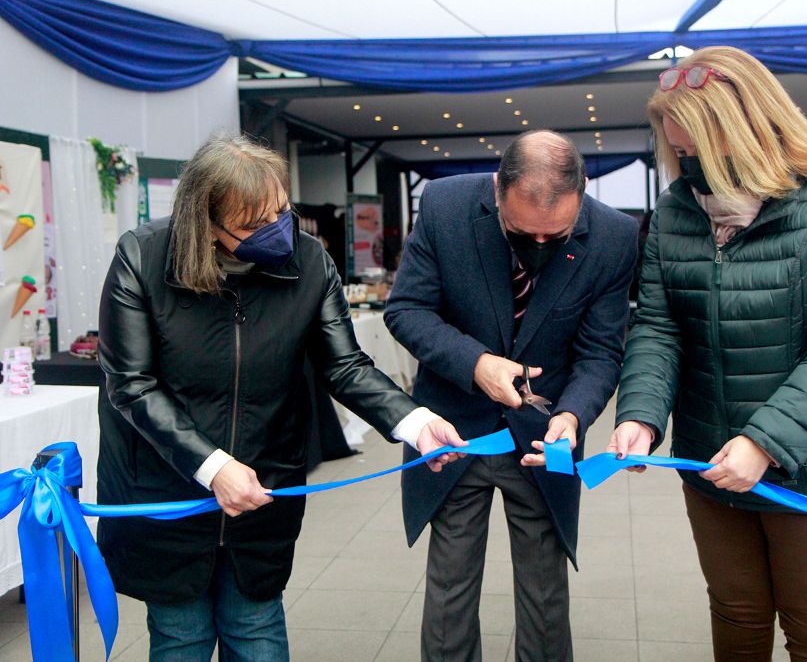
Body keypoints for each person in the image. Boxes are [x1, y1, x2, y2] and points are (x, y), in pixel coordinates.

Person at [97, 133, 465, 661]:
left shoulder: (310, 261)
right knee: (181, 633)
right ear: (206, 223)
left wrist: (414, 422)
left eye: (280, 213)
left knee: (257, 626)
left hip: (264, 480)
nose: (275, 232)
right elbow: (132, 386)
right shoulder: (143, 256)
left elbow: (345, 365)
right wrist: (213, 466)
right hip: (166, 484)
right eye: (252, 225)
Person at [610, 46, 807, 661]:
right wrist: (639, 414)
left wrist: (764, 443)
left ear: (742, 131)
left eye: (699, 153)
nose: (690, 170)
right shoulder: (677, 210)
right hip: (711, 462)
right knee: (736, 614)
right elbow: (659, 326)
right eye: (679, 154)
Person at [384, 130, 638, 661]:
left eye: (558, 235)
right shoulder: (446, 205)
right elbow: (407, 310)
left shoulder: (614, 236)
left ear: (582, 194)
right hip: (455, 432)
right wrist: (476, 364)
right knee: (449, 589)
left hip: (546, 439)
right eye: (524, 233)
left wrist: (572, 415)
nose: (540, 247)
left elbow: (599, 353)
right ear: (498, 189)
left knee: (546, 591)